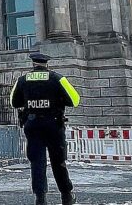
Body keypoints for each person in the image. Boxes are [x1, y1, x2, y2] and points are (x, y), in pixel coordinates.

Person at [10, 53, 81, 205]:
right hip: (53, 125)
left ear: (33, 64)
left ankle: (40, 198)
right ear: (46, 64)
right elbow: (74, 100)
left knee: (37, 162)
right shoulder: (57, 78)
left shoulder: (22, 80)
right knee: (58, 161)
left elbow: (14, 102)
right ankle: (66, 195)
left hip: (33, 125)